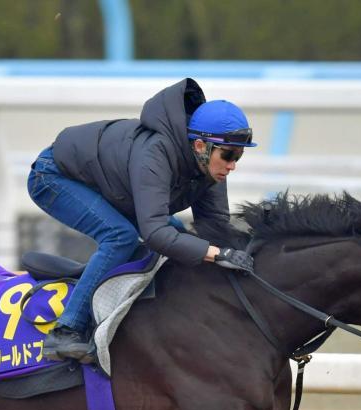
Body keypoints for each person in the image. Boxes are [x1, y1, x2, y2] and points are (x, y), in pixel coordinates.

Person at [27, 77, 257, 363]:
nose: (233, 165)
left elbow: (216, 231)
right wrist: (217, 253)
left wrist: (245, 252)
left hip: (112, 186)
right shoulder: (156, 154)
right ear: (200, 146)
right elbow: (155, 233)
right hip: (53, 176)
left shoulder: (211, 168)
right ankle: (66, 330)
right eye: (229, 155)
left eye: (239, 156)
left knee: (177, 232)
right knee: (120, 236)